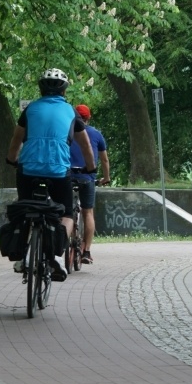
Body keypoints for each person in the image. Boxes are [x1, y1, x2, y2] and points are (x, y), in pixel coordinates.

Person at [6, 68, 96, 281]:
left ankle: (23, 254)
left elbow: (16, 140)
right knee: (66, 214)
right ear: (64, 90)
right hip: (58, 171)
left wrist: (11, 159)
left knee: (26, 207)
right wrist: (91, 168)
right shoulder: (71, 112)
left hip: (27, 169)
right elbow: (85, 146)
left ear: (40, 88)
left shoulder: (30, 109)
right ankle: (53, 251)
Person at [69, 104, 111, 264]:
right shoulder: (96, 134)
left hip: (67, 176)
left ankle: (62, 246)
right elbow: (104, 159)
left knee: (65, 212)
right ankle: (86, 251)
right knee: (87, 212)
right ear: (88, 117)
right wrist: (106, 178)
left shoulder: (67, 132)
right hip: (87, 177)